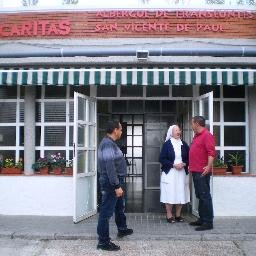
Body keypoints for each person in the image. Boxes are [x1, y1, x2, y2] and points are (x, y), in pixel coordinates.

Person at [97, 120, 133, 251]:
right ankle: (103, 242)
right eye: (121, 129)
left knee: (119, 207)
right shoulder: (107, 144)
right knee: (105, 213)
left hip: (115, 181)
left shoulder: (110, 143)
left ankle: (122, 229)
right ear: (115, 130)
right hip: (111, 183)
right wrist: (117, 185)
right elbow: (110, 167)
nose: (121, 132)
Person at [189, 116, 216, 231]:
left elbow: (211, 152)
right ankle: (202, 219)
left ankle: (208, 222)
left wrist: (209, 166)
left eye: (192, 123)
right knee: (200, 195)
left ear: (197, 124)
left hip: (202, 171)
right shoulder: (196, 136)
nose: (191, 125)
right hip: (195, 170)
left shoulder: (207, 135)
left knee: (205, 196)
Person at [159, 124, 190, 223]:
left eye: (179, 130)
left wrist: (184, 163)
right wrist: (173, 165)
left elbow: (190, 158)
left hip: (181, 173)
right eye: (176, 130)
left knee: (181, 192)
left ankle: (178, 215)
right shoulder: (167, 144)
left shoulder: (184, 144)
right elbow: (161, 159)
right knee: (170, 193)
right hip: (170, 173)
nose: (178, 132)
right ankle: (169, 215)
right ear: (171, 133)